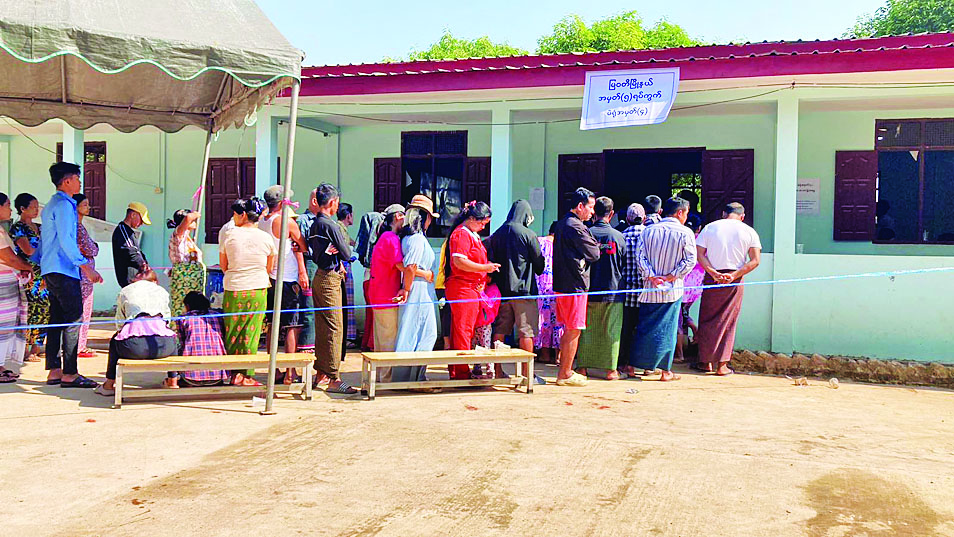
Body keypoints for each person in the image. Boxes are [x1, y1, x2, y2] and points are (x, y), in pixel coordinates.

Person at [41, 162, 103, 389]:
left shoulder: (50, 205)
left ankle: (54, 369)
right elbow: (67, 240)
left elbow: (46, 241)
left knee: (57, 319)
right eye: (77, 178)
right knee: (74, 319)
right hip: (64, 269)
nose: (80, 183)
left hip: (51, 268)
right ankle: (70, 372)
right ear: (67, 181)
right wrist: (86, 266)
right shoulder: (65, 206)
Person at [631, 197, 697, 382]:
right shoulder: (685, 232)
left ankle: (644, 368)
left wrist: (652, 276)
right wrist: (671, 276)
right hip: (672, 290)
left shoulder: (648, 230)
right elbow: (690, 260)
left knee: (645, 329)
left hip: (650, 290)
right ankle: (665, 372)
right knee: (667, 331)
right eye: (686, 213)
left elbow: (640, 257)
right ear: (680, 213)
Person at [695, 202, 762, 376]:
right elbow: (755, 260)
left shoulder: (710, 228)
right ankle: (722, 365)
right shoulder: (749, 231)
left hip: (712, 278)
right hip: (735, 279)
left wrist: (713, 272)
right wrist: (734, 275)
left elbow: (699, 254)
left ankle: (705, 362)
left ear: (724, 213)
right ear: (742, 216)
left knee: (707, 318)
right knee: (728, 320)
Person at [94, 270, 178, 396]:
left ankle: (109, 385)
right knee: (172, 336)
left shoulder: (126, 291)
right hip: (163, 347)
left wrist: (124, 332)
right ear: (155, 281)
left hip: (133, 348)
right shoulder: (162, 291)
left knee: (114, 340)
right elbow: (167, 319)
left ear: (135, 280)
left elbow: (120, 321)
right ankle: (173, 382)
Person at [306, 183, 356, 394]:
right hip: (330, 278)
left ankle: (321, 373)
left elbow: (313, 251)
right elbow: (347, 254)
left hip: (319, 275)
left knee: (323, 327)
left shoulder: (314, 224)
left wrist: (330, 250)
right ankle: (334, 377)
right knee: (335, 328)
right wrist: (336, 250)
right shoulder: (331, 226)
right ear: (333, 202)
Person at [219, 197, 275, 387]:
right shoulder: (266, 238)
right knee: (252, 333)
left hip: (234, 287)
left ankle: (234, 373)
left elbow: (224, 265)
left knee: (232, 331)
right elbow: (269, 268)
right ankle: (247, 375)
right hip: (257, 288)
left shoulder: (229, 235)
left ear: (243, 215)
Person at [486, 199, 544, 380]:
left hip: (502, 293)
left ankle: (497, 371)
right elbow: (539, 265)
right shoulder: (528, 234)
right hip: (524, 292)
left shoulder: (496, 235)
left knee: (500, 331)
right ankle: (527, 374)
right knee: (526, 332)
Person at [442, 201, 499, 380]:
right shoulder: (461, 234)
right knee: (463, 331)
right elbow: (459, 261)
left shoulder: (471, 234)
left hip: (471, 288)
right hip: (462, 288)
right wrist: (484, 268)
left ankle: (459, 370)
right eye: (482, 223)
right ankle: (461, 372)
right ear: (472, 218)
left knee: (465, 330)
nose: (483, 227)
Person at [260, 185, 309, 383]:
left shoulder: (263, 220)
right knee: (293, 325)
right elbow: (302, 244)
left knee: (273, 324)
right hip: (287, 277)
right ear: (282, 203)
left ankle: (275, 370)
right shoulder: (285, 221)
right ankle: (290, 371)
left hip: (270, 277)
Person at [552, 188, 600, 387]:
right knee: (574, 329)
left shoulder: (563, 223)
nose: (592, 212)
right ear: (580, 206)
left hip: (563, 284)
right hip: (575, 285)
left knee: (569, 328)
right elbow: (594, 253)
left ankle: (566, 369)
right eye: (590, 207)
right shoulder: (576, 226)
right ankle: (564, 373)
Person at [576, 196, 628, 380]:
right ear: (611, 214)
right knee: (612, 330)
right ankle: (610, 370)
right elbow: (624, 264)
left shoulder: (586, 233)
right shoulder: (618, 237)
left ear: (593, 213)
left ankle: (582, 368)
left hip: (589, 289)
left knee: (586, 329)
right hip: (613, 290)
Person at [392, 196, 439, 385]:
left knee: (417, 331)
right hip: (417, 289)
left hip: (419, 286)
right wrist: (408, 287)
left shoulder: (409, 238)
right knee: (421, 332)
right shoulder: (417, 239)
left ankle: (414, 377)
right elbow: (410, 266)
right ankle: (411, 378)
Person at [368, 204, 406, 382]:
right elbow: (400, 265)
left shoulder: (384, 237)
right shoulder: (391, 238)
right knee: (388, 339)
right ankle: (386, 379)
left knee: (381, 339)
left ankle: (379, 377)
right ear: (398, 216)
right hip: (387, 295)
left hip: (379, 293)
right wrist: (422, 273)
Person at [0, 193, 34, 384]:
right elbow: (9, 258)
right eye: (7, 205)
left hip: (8, 284)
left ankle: (1, 365)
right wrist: (27, 267)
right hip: (2, 286)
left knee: (6, 326)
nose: (10, 209)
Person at [10, 193, 48, 361]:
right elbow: (28, 250)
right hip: (28, 274)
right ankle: (24, 349)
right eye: (33, 207)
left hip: (43, 273)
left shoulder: (40, 227)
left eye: (37, 207)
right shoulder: (18, 228)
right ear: (22, 209)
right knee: (29, 310)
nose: (36, 210)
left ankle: (37, 347)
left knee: (44, 309)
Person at [176, 291, 229, 387]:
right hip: (217, 376)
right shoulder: (218, 316)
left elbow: (182, 342)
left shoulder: (183, 319)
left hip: (190, 378)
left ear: (188, 305)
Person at [618, 203, 646, 377]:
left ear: (627, 219)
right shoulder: (649, 235)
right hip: (646, 293)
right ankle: (644, 365)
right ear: (644, 218)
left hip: (626, 293)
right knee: (643, 330)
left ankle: (625, 364)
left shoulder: (621, 236)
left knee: (626, 330)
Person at [676, 214, 705, 364]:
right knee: (684, 313)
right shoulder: (703, 240)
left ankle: (680, 354)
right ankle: (694, 331)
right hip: (696, 286)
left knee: (678, 320)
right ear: (699, 227)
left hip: (682, 284)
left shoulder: (683, 237)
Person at [354, 209, 385, 351]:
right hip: (375, 280)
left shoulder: (368, 244)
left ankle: (366, 343)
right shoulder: (379, 241)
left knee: (370, 314)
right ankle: (371, 345)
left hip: (367, 279)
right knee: (375, 315)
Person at [74, 194, 101, 358]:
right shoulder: (77, 228)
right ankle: (79, 346)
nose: (88, 208)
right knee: (83, 310)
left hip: (82, 274)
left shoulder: (78, 226)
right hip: (83, 275)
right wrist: (94, 247)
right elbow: (91, 249)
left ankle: (79, 344)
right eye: (84, 205)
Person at [167, 209, 205, 318]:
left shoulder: (188, 239)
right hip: (184, 282)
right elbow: (188, 218)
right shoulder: (178, 235)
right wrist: (195, 214)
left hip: (193, 282)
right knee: (182, 307)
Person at [534, 221, 562, 365]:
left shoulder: (539, 241)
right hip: (558, 287)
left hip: (540, 287)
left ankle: (544, 353)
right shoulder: (562, 244)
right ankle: (558, 356)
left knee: (543, 320)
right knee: (559, 322)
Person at [295, 188, 320, 352]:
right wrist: (302, 271)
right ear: (314, 201)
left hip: (321, 265)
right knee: (308, 308)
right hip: (309, 264)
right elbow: (298, 248)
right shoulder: (303, 220)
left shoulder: (323, 220)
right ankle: (306, 346)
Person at [111, 201, 151, 287]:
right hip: (129, 279)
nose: (142, 223)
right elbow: (131, 251)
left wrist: (145, 263)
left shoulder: (129, 232)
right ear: (133, 215)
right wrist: (143, 265)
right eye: (141, 220)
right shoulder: (122, 230)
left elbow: (138, 251)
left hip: (135, 279)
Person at [336, 202, 358, 348]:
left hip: (342, 266)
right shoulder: (339, 229)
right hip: (343, 268)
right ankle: (348, 337)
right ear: (348, 215)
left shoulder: (341, 228)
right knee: (347, 302)